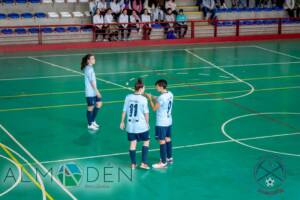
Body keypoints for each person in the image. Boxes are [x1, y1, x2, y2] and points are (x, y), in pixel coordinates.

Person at [120, 79, 150, 170]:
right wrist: (147, 123)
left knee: (133, 144)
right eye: (144, 87)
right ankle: (144, 163)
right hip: (141, 126)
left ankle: (133, 164)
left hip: (130, 126)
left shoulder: (128, 97)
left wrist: (122, 121)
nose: (144, 89)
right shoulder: (144, 99)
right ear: (140, 89)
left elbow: (124, 110)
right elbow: (146, 113)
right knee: (146, 141)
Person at [145, 79, 173, 169]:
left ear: (161, 86)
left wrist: (149, 99)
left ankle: (163, 162)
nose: (155, 87)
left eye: (156, 86)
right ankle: (169, 157)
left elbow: (154, 108)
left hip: (161, 122)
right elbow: (158, 98)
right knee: (168, 138)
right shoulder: (170, 94)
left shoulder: (162, 98)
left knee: (161, 141)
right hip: (169, 121)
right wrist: (151, 96)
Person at [81, 54, 102, 131]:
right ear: (88, 60)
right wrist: (97, 92)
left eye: (94, 58)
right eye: (92, 58)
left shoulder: (90, 68)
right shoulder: (88, 69)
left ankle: (92, 121)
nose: (94, 59)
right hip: (90, 92)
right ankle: (90, 124)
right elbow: (91, 82)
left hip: (93, 91)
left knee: (99, 104)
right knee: (90, 108)